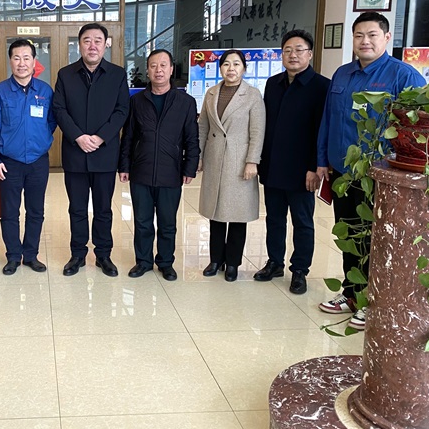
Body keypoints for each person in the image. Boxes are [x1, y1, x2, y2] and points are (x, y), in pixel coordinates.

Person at [316, 11, 425, 331]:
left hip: (380, 175)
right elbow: (328, 119)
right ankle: (352, 293)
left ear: (387, 38)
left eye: (372, 35)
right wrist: (322, 160)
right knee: (348, 233)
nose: (365, 41)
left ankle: (373, 301)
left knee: (375, 239)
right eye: (359, 35)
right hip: (342, 172)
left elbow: (418, 129)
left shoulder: (403, 76)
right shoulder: (342, 74)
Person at [255, 30, 330, 295]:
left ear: (309, 54)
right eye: (287, 50)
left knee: (302, 221)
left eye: (299, 50)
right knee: (274, 218)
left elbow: (322, 130)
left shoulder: (321, 86)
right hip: (273, 165)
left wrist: (314, 166)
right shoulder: (273, 84)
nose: (293, 55)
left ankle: (300, 270)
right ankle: (275, 262)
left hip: (302, 170)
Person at [53, 23, 129, 277]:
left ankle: (103, 255)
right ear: (79, 45)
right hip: (75, 154)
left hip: (105, 153)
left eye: (98, 40)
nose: (92, 45)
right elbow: (59, 110)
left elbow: (122, 110)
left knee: (103, 209)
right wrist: (78, 137)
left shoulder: (117, 74)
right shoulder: (65, 74)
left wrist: (100, 137)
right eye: (87, 40)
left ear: (106, 44)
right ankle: (77, 254)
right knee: (77, 208)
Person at [118, 49, 199, 281]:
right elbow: (128, 137)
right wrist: (124, 166)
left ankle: (165, 262)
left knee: (167, 223)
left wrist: (190, 167)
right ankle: (143, 261)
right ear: (148, 70)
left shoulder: (185, 102)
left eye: (163, 65)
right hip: (141, 171)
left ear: (172, 69)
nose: (158, 70)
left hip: (171, 171)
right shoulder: (137, 101)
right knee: (142, 222)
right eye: (153, 66)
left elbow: (192, 139)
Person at [0, 39, 57, 275]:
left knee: (36, 211)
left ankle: (31, 255)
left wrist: (40, 140)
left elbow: (51, 122)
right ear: (10, 61)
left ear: (34, 62)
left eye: (26, 58)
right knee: (10, 212)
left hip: (37, 162)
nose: (21, 63)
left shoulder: (45, 91)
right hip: (8, 163)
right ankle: (13, 256)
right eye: (16, 58)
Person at [198, 49, 265, 282]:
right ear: (220, 68)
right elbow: (203, 127)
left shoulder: (252, 95)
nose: (231, 69)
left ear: (244, 68)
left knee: (237, 214)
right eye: (226, 64)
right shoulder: (211, 93)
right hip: (215, 158)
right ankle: (215, 260)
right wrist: (199, 156)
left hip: (239, 161)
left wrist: (252, 161)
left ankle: (233, 263)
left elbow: (257, 131)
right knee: (215, 212)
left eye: (236, 64)